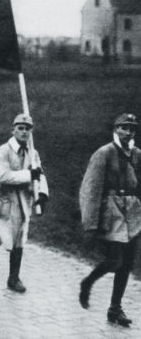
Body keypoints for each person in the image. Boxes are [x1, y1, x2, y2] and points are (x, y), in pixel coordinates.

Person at [78, 113, 141, 327]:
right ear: (115, 129)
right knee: (115, 260)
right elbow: (90, 188)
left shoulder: (136, 154)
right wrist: (91, 222)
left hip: (131, 210)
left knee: (128, 262)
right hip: (112, 211)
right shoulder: (104, 153)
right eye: (124, 127)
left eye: (132, 128)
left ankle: (115, 309)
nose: (128, 132)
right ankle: (87, 283)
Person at [0, 114, 48, 293]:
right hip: (4, 199)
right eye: (21, 128)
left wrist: (42, 192)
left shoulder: (33, 153)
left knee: (19, 240)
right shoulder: (4, 150)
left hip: (23, 200)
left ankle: (13, 278)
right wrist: (28, 175)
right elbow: (2, 175)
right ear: (13, 130)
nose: (24, 132)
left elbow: (39, 174)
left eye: (27, 129)